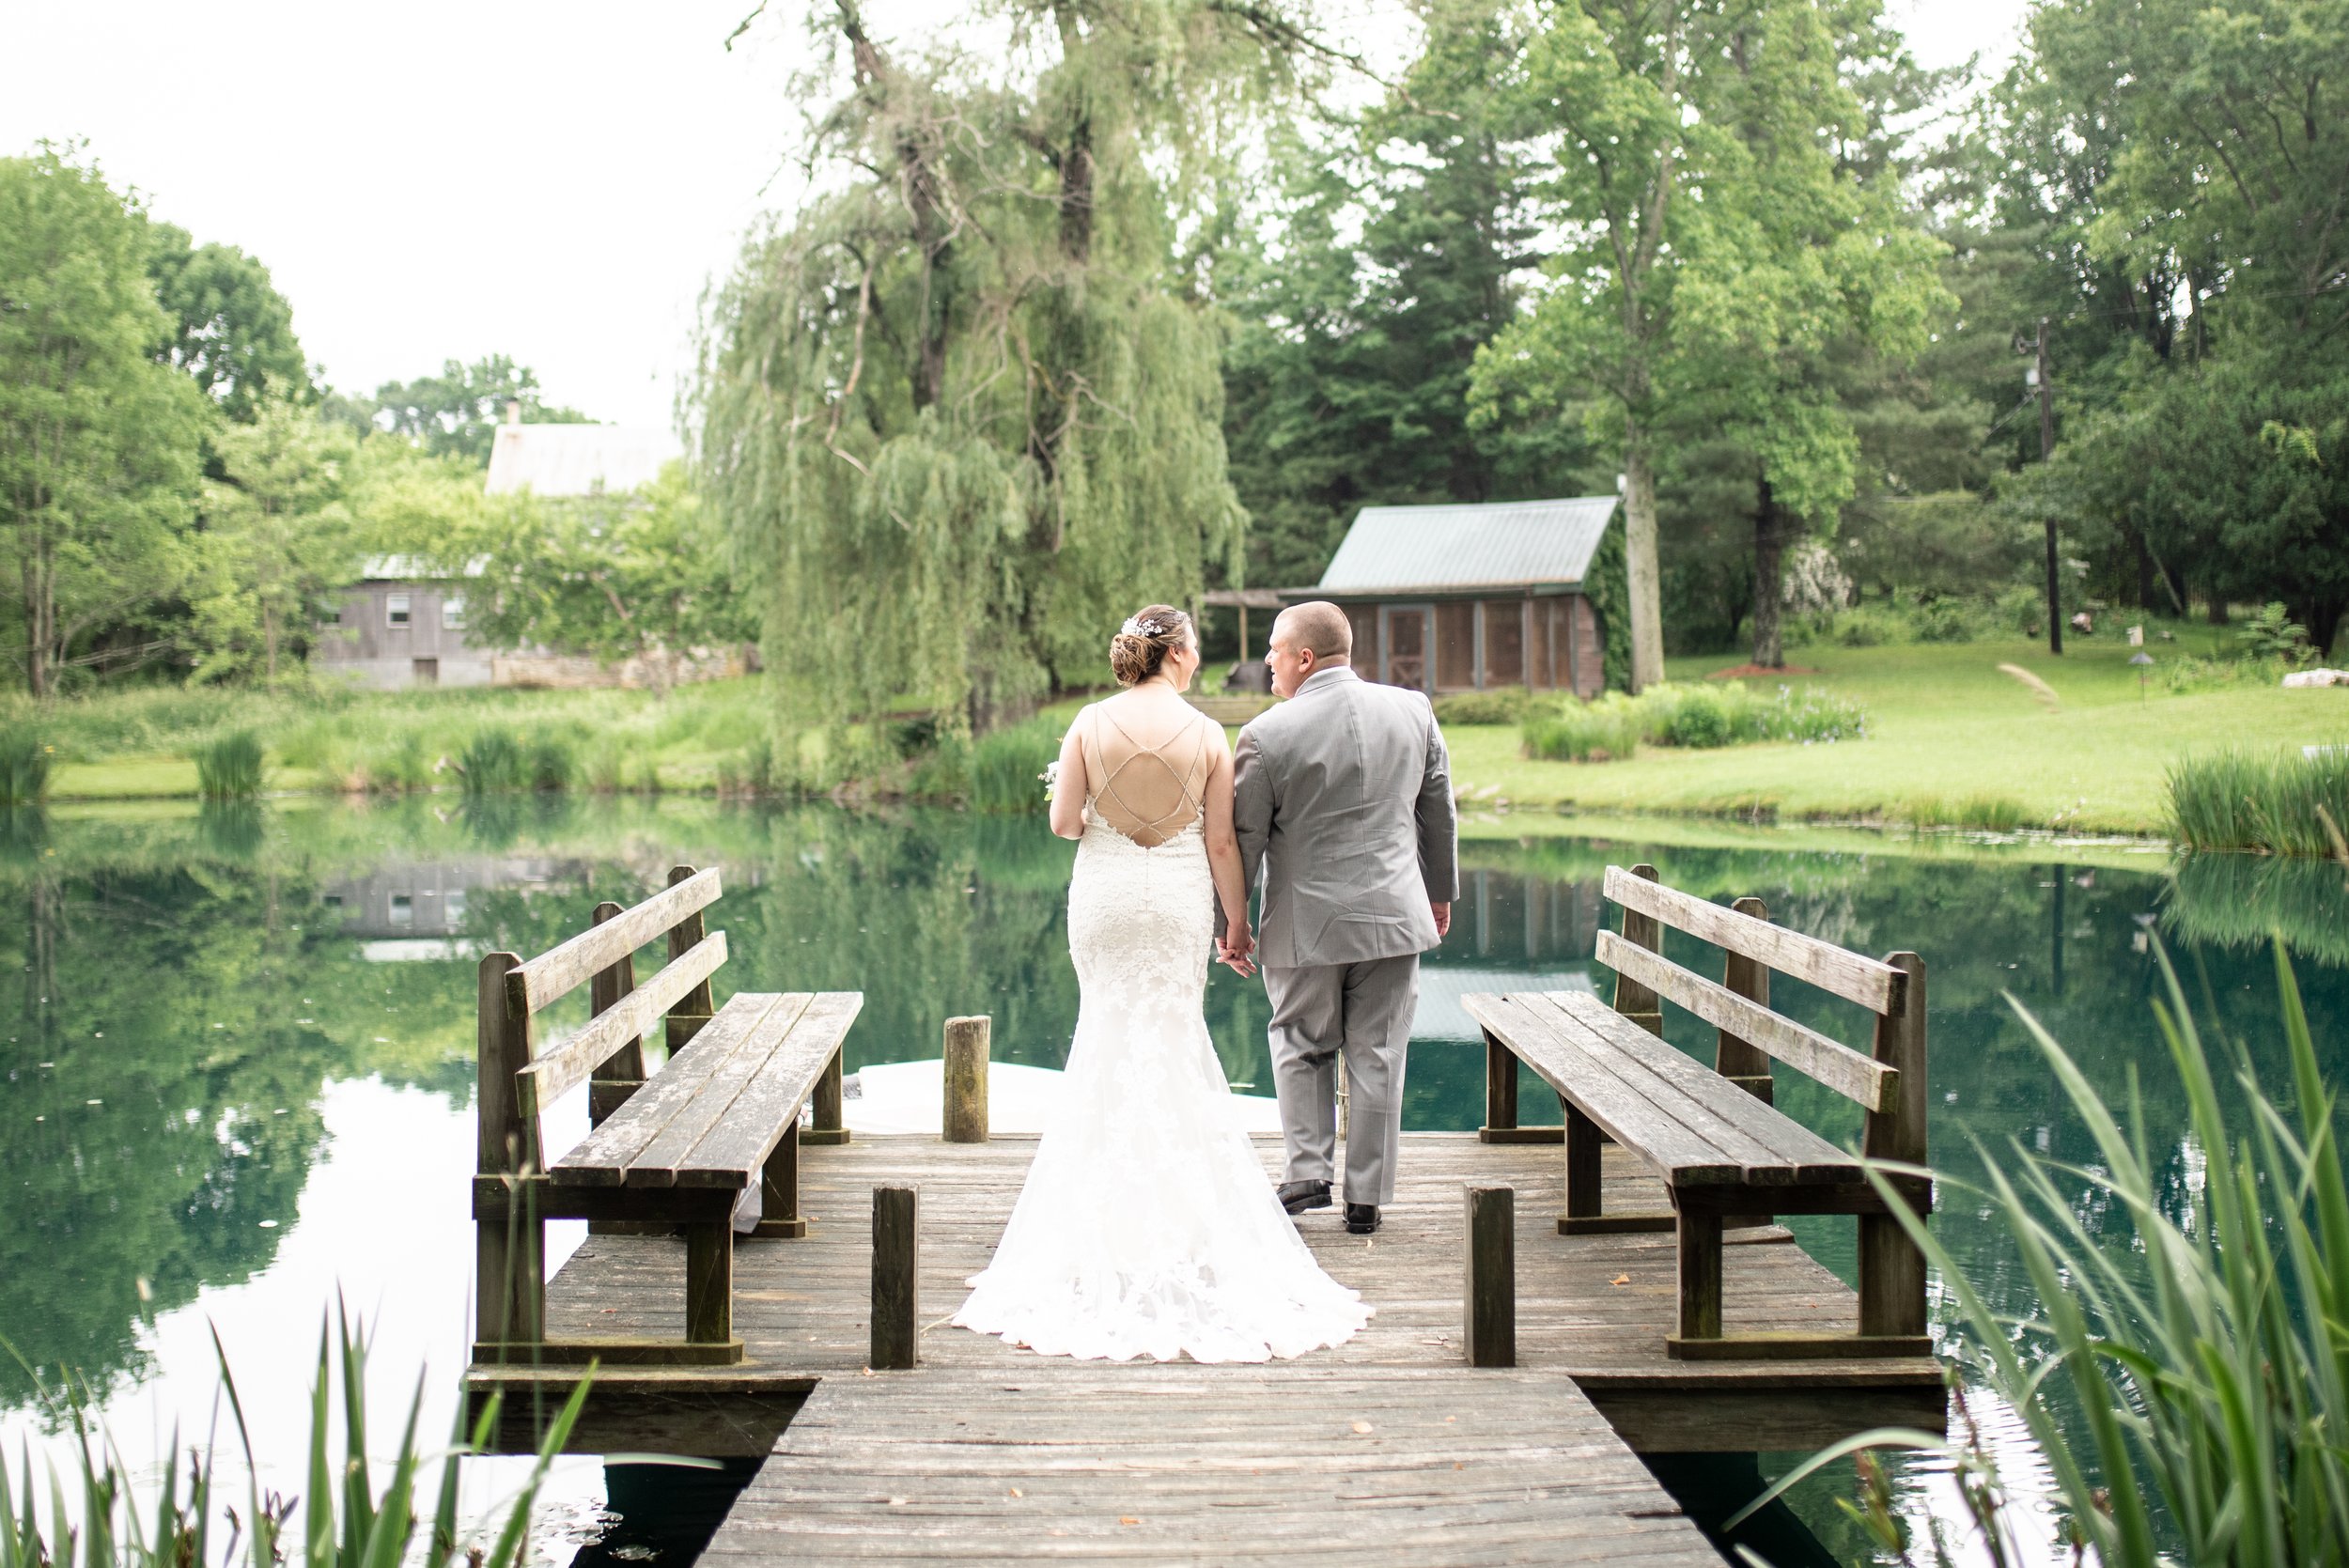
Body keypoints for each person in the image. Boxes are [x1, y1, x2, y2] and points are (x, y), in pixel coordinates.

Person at [952, 605, 1371, 1362]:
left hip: (1106, 901)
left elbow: (1064, 823)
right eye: (1196, 647)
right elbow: (1219, 840)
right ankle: (1183, 1223)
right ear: (1174, 653)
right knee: (1172, 1038)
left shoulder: (1088, 721)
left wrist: (1098, 813)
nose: (1200, 657)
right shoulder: (1210, 734)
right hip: (1177, 902)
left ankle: (1099, 1227)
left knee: (1106, 1035)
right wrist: (1236, 924)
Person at [1227, 600, 1456, 1236]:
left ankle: (1306, 1172)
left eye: (1275, 649)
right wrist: (1439, 892)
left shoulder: (1266, 735)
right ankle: (1367, 1196)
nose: (1268, 661)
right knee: (1379, 1051)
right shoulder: (1413, 710)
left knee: (1301, 1043)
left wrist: (1233, 920)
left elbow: (1244, 839)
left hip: (1307, 926)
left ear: (1304, 657)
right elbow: (1437, 810)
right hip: (1394, 916)